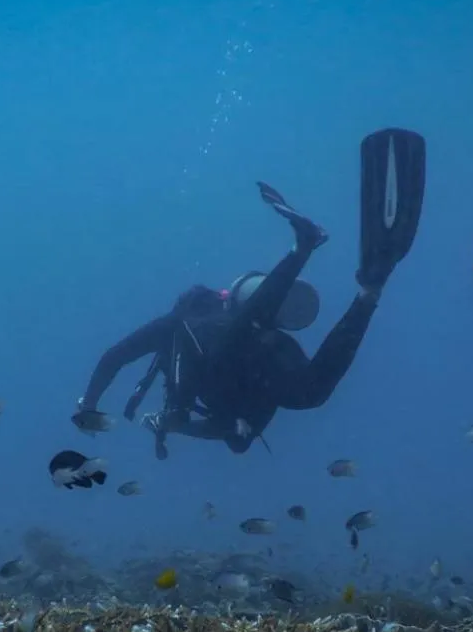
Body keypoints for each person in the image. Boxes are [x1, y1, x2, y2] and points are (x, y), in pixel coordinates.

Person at [77, 129, 426, 459]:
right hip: (267, 353)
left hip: (248, 348)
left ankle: (313, 256)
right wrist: (173, 424)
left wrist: (88, 405)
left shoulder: (179, 326)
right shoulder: (229, 370)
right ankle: (366, 293)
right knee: (310, 392)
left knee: (261, 359)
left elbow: (115, 356)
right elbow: (238, 439)